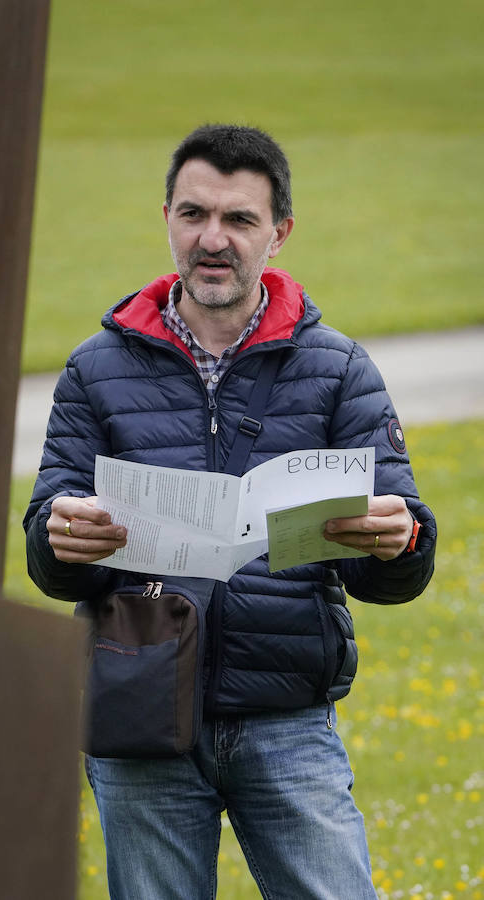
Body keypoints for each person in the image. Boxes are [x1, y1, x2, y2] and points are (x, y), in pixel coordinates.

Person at [23, 124, 436, 900]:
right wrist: (60, 538)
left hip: (285, 716)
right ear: (167, 219)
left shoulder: (337, 370)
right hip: (139, 711)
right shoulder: (94, 369)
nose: (212, 239)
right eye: (193, 214)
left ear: (278, 233)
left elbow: (397, 563)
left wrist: (399, 538)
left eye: (239, 220)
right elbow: (49, 556)